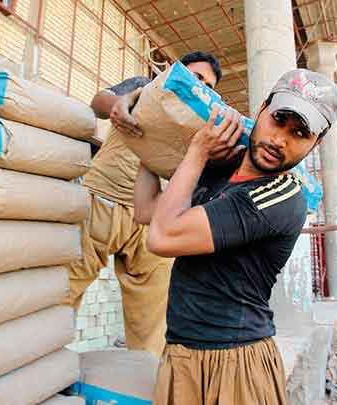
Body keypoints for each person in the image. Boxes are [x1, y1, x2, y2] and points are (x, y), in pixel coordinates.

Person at [133, 69, 337, 404]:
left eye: (299, 133)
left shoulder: (280, 198)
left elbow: (161, 237)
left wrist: (197, 151)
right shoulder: (220, 169)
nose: (279, 139)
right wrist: (146, 137)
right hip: (182, 351)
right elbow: (145, 212)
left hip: (235, 362)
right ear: (261, 110)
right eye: (279, 120)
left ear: (315, 144)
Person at [65, 51, 223, 357]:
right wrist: (121, 104)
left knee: (153, 313)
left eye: (208, 84)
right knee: (65, 288)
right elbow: (99, 101)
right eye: (195, 76)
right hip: (102, 200)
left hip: (151, 219)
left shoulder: (202, 122)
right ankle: (43, 363)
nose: (200, 85)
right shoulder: (145, 87)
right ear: (177, 71)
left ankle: (147, 377)